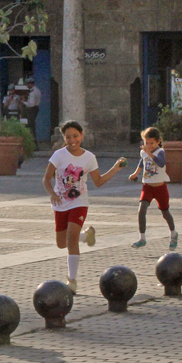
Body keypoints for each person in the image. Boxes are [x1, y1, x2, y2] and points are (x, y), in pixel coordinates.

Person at [43, 120, 125, 292]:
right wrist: (52, 193)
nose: (72, 140)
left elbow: (99, 181)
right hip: (60, 203)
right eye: (68, 137)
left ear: (82, 135)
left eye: (75, 136)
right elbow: (46, 178)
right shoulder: (58, 155)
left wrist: (115, 168)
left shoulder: (89, 157)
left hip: (79, 203)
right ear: (63, 138)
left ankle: (72, 281)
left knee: (71, 239)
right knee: (61, 243)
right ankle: (86, 236)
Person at [128, 127, 177, 249]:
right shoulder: (144, 152)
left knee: (165, 212)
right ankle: (142, 238)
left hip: (160, 187)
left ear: (158, 142)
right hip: (148, 186)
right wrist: (135, 173)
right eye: (146, 143)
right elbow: (142, 162)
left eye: (152, 143)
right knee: (141, 210)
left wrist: (149, 153)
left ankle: (173, 234)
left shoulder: (160, 152)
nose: (148, 146)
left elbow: (161, 163)